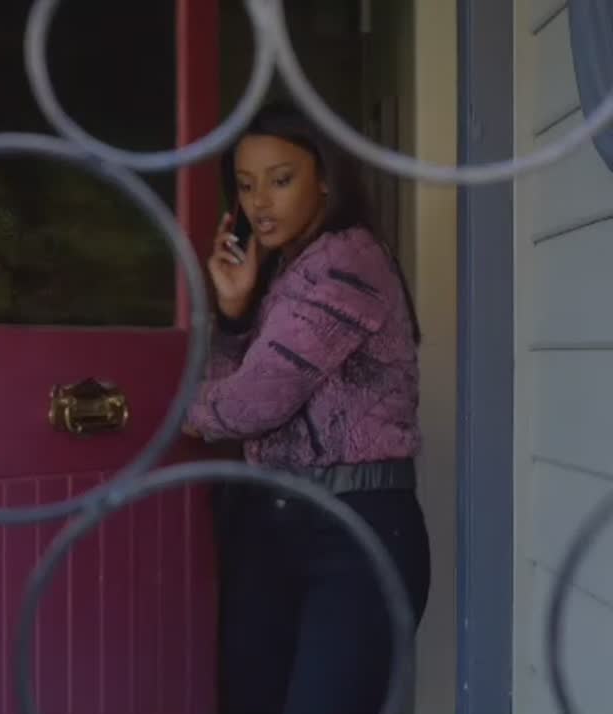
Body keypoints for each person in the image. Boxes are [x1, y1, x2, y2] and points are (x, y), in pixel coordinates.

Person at [181, 102, 431, 714]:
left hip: (354, 532)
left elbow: (253, 404)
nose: (259, 202)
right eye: (246, 185)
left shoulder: (347, 262)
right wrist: (234, 316)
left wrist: (182, 412)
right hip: (277, 526)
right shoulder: (290, 273)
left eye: (281, 179)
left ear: (325, 178)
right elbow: (241, 395)